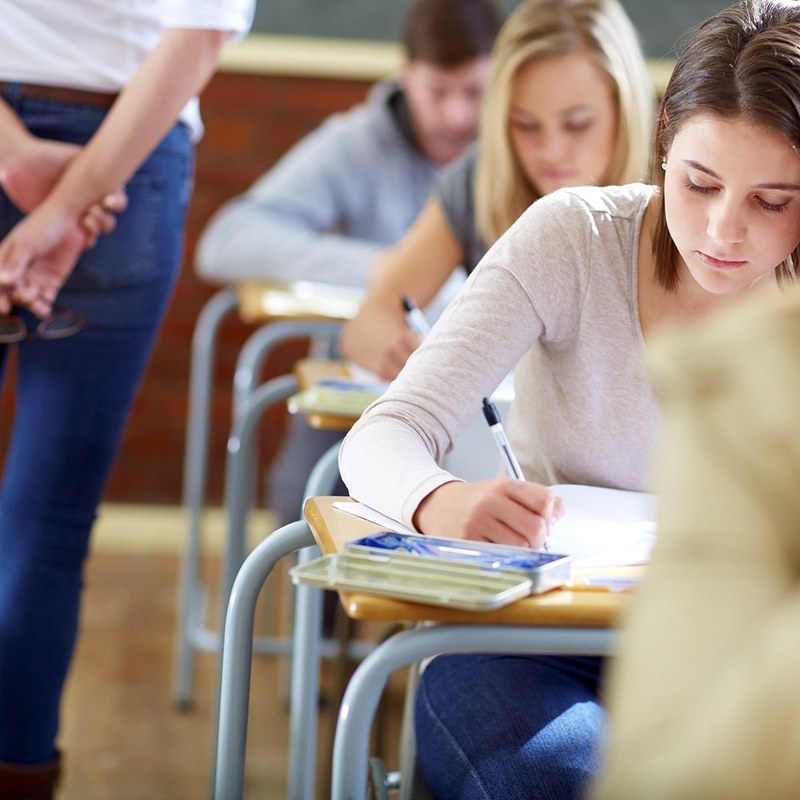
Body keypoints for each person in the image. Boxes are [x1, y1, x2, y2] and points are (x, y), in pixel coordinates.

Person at [338, 0, 800, 796]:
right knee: (568, 778)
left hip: (735, 654)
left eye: (773, 201)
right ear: (663, 141)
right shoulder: (572, 237)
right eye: (700, 183)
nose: (723, 230)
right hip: (529, 640)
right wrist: (440, 500)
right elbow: (384, 433)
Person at [0, 1, 254, 796]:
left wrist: (13, 154)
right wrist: (72, 201)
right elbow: (200, 31)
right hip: (128, 155)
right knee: (50, 524)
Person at [196, 0, 502, 528]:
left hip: (491, 395)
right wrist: (389, 269)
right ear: (406, 73)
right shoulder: (357, 142)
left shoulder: (522, 153)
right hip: (368, 384)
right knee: (304, 497)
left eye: (475, 93)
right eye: (438, 91)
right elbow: (226, 240)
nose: (457, 115)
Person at [340, 0, 655, 381]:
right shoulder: (480, 182)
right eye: (525, 124)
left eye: (577, 124)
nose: (551, 151)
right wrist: (403, 353)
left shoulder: (680, 187)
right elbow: (367, 326)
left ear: (624, 110)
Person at [591, 271, 800, 800]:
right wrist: (438, 497)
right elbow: (660, 780)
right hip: (544, 643)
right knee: (551, 768)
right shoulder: (742, 387)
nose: (723, 234)